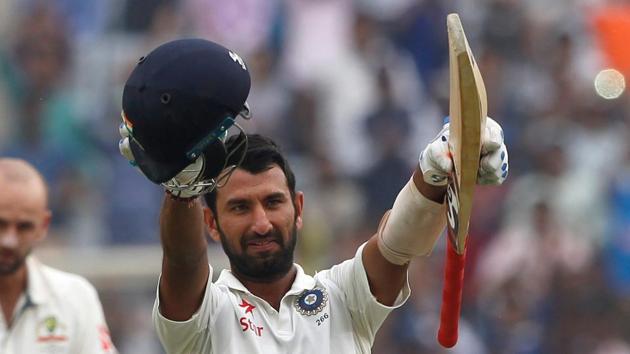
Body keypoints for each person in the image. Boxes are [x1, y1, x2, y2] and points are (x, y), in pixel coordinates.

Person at [118, 38, 508, 353]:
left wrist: (436, 167)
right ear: (211, 224)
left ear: (298, 208)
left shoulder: (341, 297)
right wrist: (182, 190)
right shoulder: (206, 317)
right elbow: (184, 261)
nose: (261, 222)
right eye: (239, 207)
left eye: (273, 202)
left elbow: (396, 246)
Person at [0, 158, 117, 353]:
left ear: (43, 226)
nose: (9, 241)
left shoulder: (75, 298)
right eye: (0, 224)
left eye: (24, 226)